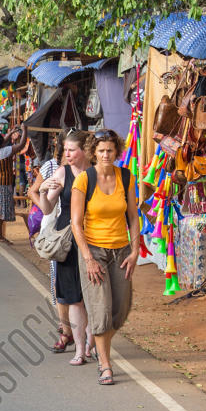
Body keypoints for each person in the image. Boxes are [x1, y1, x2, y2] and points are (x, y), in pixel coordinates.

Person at [70, 130, 142, 387]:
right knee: (101, 310)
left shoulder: (126, 177)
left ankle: (98, 345)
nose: (105, 155)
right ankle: (105, 364)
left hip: (121, 251)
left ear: (117, 151)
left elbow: (133, 216)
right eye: (101, 151)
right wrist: (88, 258)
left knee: (119, 311)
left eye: (110, 150)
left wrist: (135, 251)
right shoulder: (84, 180)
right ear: (93, 153)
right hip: (95, 251)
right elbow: (76, 224)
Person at [37, 129, 94, 364]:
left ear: (84, 151)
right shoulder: (62, 173)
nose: (67, 154)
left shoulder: (97, 173)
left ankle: (92, 344)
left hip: (94, 238)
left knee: (94, 296)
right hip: (69, 242)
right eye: (66, 150)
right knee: (73, 298)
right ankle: (80, 349)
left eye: (72, 150)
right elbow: (47, 209)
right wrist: (42, 192)